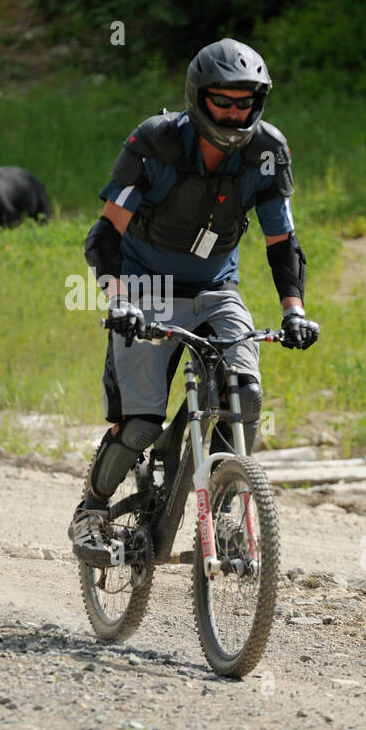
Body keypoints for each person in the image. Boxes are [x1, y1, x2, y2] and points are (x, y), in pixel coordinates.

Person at [68, 37, 320, 560]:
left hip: (215, 292)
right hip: (145, 289)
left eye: (244, 102)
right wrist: (119, 300)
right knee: (139, 425)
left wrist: (294, 312)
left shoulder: (268, 151)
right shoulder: (153, 142)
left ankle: (227, 515)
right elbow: (104, 236)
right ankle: (91, 510)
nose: (234, 112)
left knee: (244, 396)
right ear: (198, 97)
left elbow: (282, 242)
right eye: (222, 101)